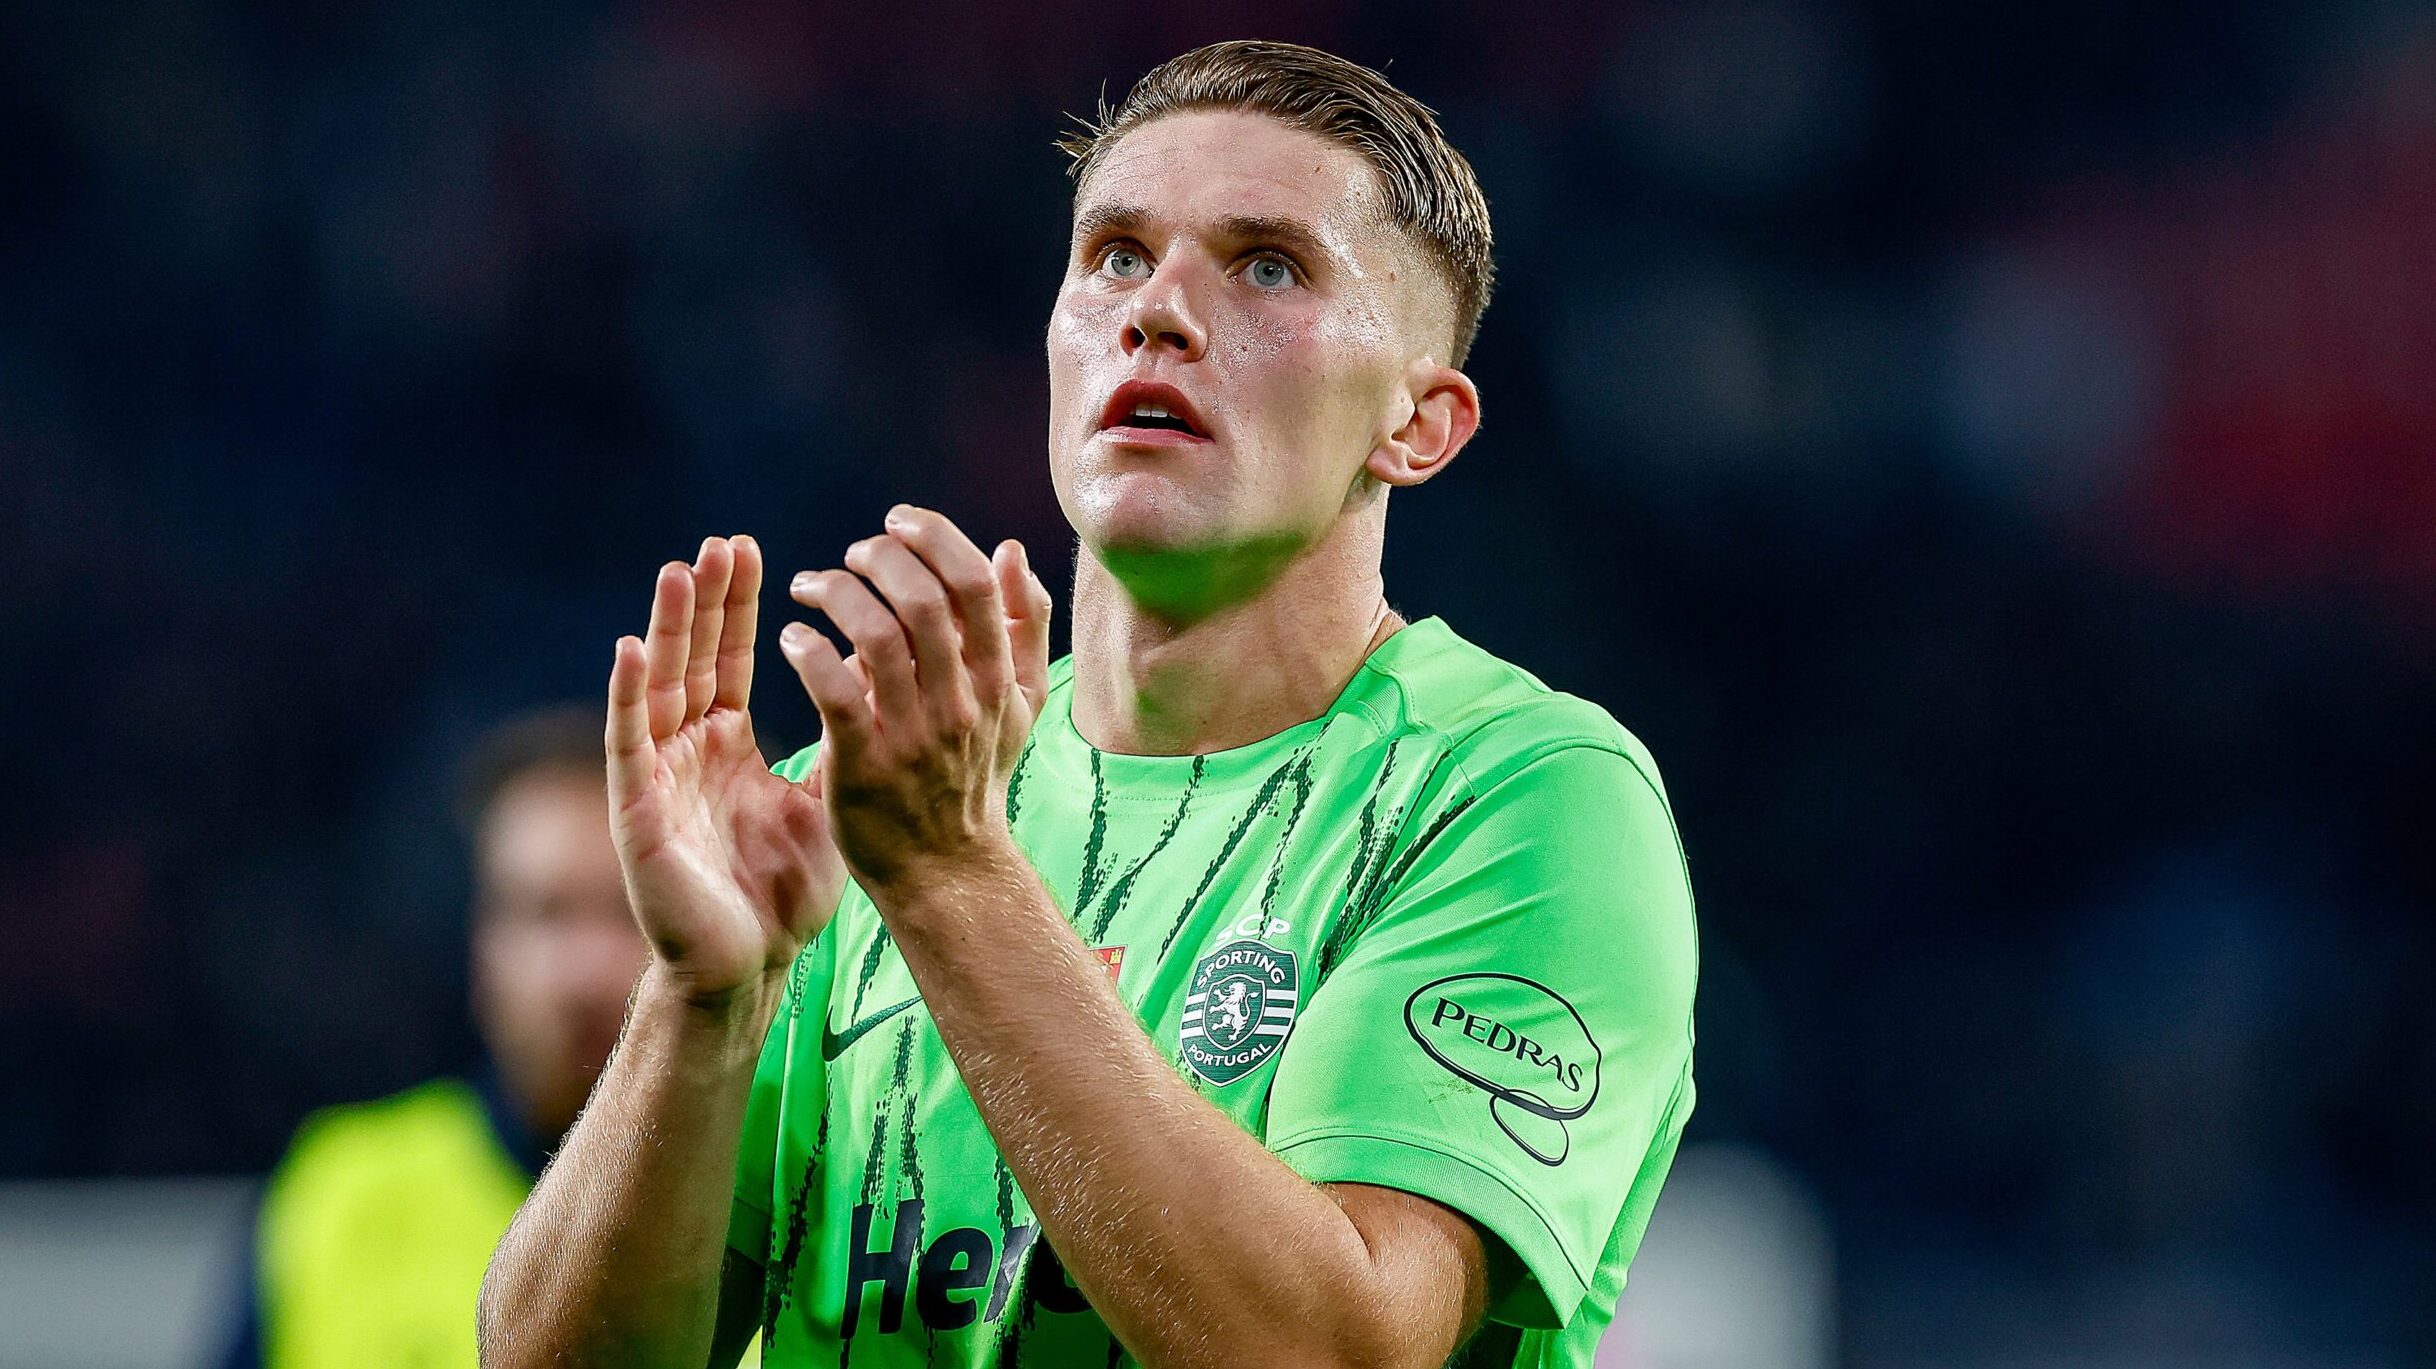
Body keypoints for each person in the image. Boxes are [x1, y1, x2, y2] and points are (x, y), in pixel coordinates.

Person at [479, 40, 1697, 1369]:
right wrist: (704, 997)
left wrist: (950, 881)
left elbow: (1329, 1353)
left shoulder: (1523, 797)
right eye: (1116, 254)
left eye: (1267, 265)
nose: (1158, 309)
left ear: (1418, 426)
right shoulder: (863, 808)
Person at [216, 708, 653, 1369]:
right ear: (483, 945)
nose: (581, 973)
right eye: (543, 913)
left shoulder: (802, 1196)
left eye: (634, 909)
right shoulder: (340, 1194)